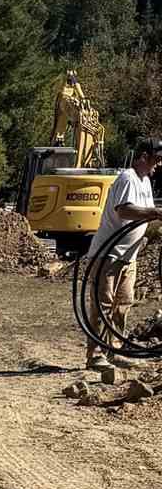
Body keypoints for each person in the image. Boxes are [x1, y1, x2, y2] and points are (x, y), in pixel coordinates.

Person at [85, 140, 162, 367]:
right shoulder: (128, 178)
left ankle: (114, 351)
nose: (160, 163)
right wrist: (155, 212)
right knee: (103, 304)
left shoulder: (145, 181)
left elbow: (146, 216)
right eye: (157, 158)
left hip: (129, 255)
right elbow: (125, 210)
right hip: (108, 254)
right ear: (143, 156)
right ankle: (96, 354)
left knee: (123, 304)